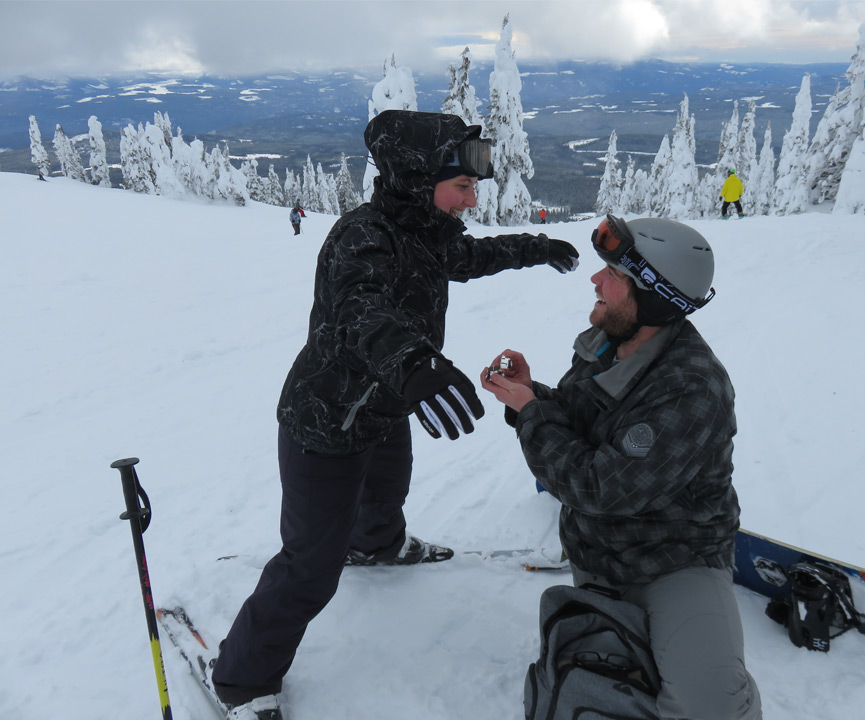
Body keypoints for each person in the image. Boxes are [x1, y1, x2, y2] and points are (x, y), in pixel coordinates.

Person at [210, 109, 580, 720]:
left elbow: (466, 258)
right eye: (462, 186)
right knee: (309, 568)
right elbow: (360, 309)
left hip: (384, 404)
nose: (470, 198)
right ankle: (241, 680)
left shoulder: (425, 230)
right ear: (416, 178)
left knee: (388, 489)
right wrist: (414, 363)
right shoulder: (363, 237)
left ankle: (377, 545)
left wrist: (535, 247)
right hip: (326, 421)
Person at [481, 215, 762, 720]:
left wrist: (531, 412)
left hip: (675, 561)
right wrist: (530, 394)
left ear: (652, 297)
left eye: (613, 274)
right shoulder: (608, 344)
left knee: (708, 708)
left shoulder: (692, 388)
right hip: (598, 551)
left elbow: (598, 486)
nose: (595, 280)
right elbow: (579, 422)